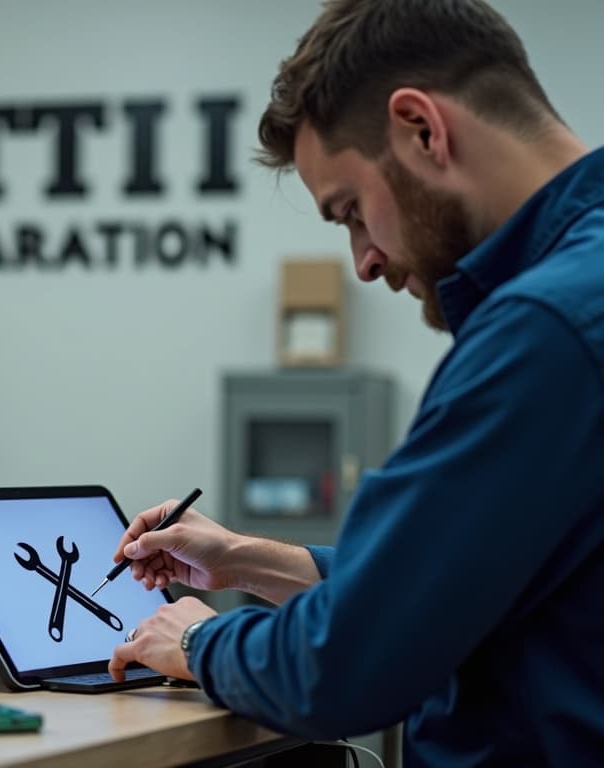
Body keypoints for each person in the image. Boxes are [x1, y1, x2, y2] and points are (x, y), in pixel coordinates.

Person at [107, 0, 604, 765]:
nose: (364, 262)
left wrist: (199, 636)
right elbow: (449, 578)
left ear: (422, 130)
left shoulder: (545, 327)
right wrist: (244, 558)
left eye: (349, 212)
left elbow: (342, 670)